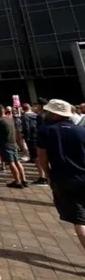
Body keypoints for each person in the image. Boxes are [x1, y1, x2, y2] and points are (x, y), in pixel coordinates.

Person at [37, 99, 85, 250]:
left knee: (80, 221)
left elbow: (42, 156)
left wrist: (47, 174)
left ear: (55, 114)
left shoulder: (46, 131)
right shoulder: (82, 130)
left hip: (64, 179)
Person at [0, 105, 27, 188]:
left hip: (6, 144)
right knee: (17, 161)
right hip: (13, 143)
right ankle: (24, 180)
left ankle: (17, 181)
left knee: (11, 163)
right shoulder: (10, 119)